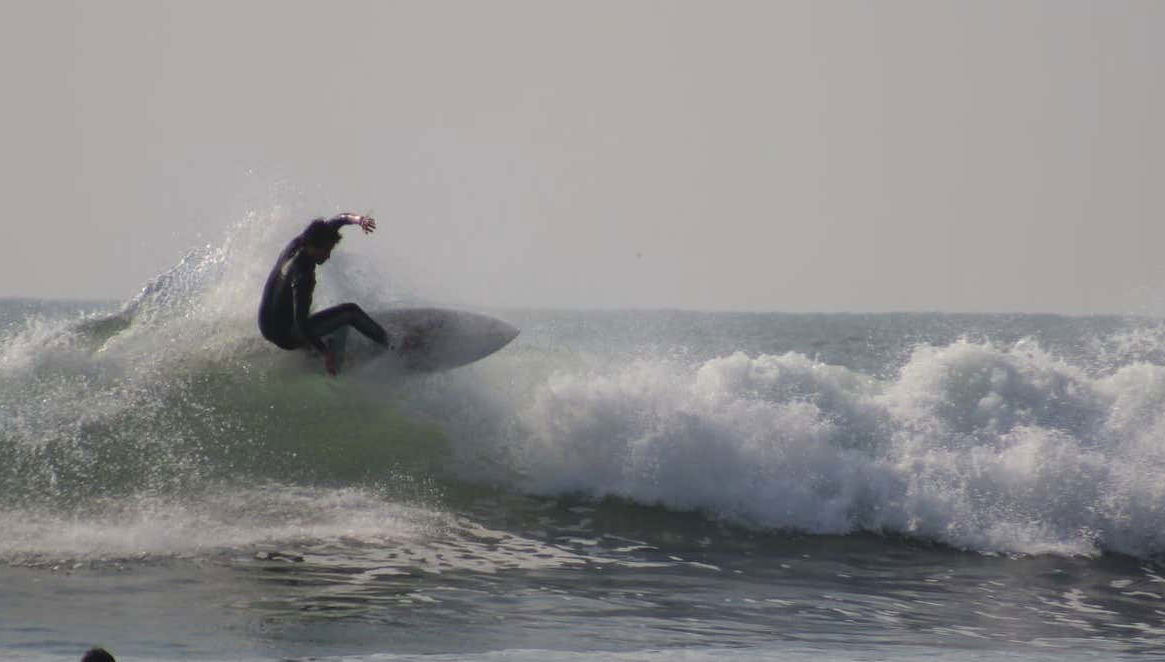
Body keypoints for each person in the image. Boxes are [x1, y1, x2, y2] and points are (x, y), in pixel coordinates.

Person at [258, 213, 390, 375]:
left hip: (266, 326)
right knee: (350, 312)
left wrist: (360, 220)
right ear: (314, 247)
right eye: (326, 250)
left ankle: (312, 351)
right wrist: (325, 352)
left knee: (323, 318)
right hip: (287, 335)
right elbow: (301, 323)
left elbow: (338, 220)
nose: (328, 256)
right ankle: (390, 345)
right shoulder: (303, 274)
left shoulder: (299, 243)